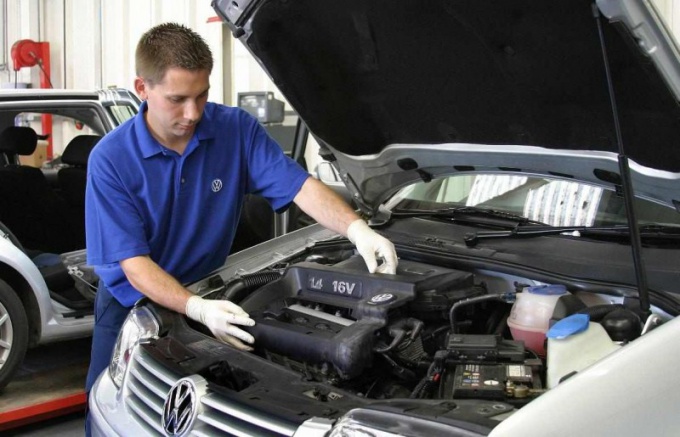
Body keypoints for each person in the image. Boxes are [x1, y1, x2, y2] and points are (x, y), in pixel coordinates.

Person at [84, 21, 397, 415]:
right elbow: (134, 265)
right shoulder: (112, 160)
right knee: (117, 407)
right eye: (177, 99)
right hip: (133, 304)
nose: (193, 112)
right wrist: (197, 308)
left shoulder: (234, 130)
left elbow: (299, 186)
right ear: (142, 89)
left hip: (211, 290)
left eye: (202, 95)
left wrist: (357, 230)